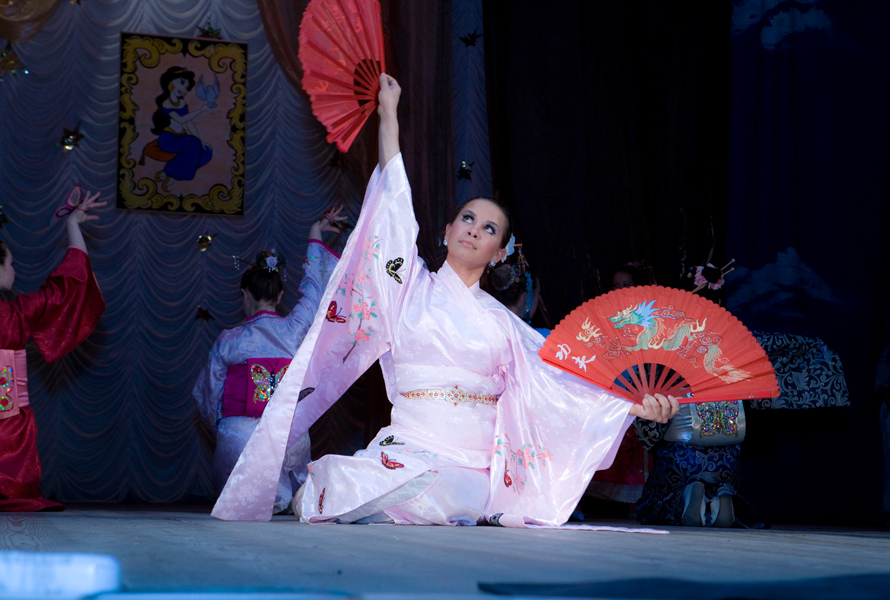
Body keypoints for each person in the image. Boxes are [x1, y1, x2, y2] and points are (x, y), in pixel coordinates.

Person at [211, 74, 679, 525]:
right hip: (407, 445)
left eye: (489, 228)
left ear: (499, 253)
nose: (474, 229)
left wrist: (633, 405)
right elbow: (394, 205)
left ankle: (401, 503)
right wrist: (389, 115)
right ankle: (375, 496)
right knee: (338, 484)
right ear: (448, 230)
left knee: (443, 491)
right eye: (468, 219)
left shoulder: (503, 323)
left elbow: (561, 381)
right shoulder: (408, 288)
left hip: (468, 465)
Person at [192, 208, 344, 513]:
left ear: (244, 294)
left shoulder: (230, 339)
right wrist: (315, 234)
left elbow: (208, 395)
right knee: (293, 449)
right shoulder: (295, 328)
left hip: (239, 440)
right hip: (288, 437)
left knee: (237, 484)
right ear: (280, 294)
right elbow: (315, 290)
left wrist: (222, 426)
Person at [0, 190, 106, 511]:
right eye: (11, 264)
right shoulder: (16, 313)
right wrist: (73, 226)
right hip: (7, 419)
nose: (15, 271)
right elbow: (70, 287)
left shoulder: (16, 311)